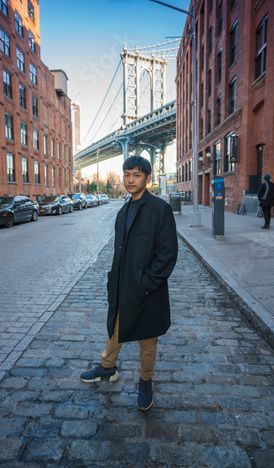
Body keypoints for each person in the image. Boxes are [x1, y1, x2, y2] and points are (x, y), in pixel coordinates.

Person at [81, 155, 178, 411]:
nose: (130, 180)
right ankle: (107, 367)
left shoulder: (160, 209)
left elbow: (167, 254)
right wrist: (115, 281)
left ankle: (145, 381)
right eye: (127, 174)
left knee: (147, 340)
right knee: (116, 326)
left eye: (136, 175)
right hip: (123, 286)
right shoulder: (123, 211)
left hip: (147, 290)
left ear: (148, 178)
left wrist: (146, 284)